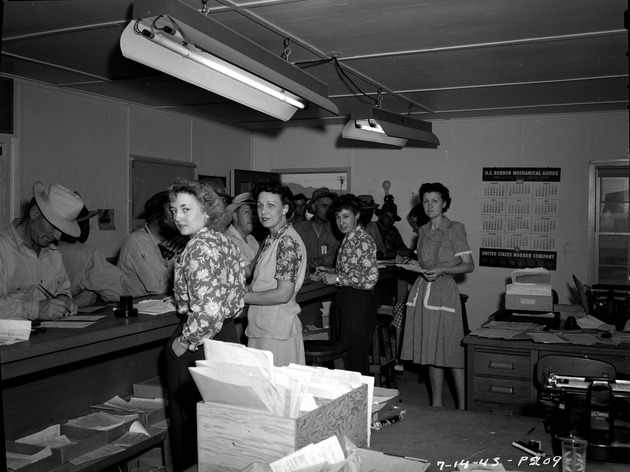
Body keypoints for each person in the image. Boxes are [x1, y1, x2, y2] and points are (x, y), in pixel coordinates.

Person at [165, 179, 246, 472]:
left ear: (206, 211)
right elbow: (236, 303)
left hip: (199, 342)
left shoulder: (198, 247)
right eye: (174, 210)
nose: (178, 217)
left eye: (186, 209)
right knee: (219, 424)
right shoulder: (224, 241)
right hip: (226, 336)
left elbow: (207, 313)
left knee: (190, 426)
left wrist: (183, 342)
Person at [399, 183, 474, 409]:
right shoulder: (422, 231)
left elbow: (468, 266)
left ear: (444, 203)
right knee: (431, 350)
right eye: (425, 201)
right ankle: (436, 406)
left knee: (451, 350)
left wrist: (442, 270)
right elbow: (424, 263)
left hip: (444, 293)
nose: (430, 206)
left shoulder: (455, 228)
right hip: (423, 292)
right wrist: (413, 265)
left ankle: (463, 408)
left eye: (435, 201)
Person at [314, 194, 379, 375]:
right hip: (346, 299)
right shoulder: (348, 238)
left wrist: (337, 279)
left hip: (358, 301)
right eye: (337, 217)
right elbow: (353, 269)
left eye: (346, 216)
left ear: (357, 215)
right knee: (343, 354)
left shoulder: (363, 240)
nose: (341, 222)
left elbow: (370, 278)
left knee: (354, 359)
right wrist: (332, 271)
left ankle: (360, 400)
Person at [245, 180, 307, 367]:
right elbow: (258, 280)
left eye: (271, 205)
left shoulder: (287, 241)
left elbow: (283, 293)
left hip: (277, 331)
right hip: (264, 326)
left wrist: (240, 296)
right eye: (260, 205)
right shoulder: (272, 239)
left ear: (285, 208)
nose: (263, 211)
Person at [0, 181, 82, 320]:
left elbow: (62, 289)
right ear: (35, 212)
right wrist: (36, 310)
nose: (58, 236)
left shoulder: (53, 252)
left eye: (62, 231)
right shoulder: (3, 249)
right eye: (54, 227)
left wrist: (63, 299)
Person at [117, 191, 187, 297]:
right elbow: (161, 288)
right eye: (174, 214)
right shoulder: (138, 240)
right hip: (140, 310)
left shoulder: (173, 242)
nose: (181, 220)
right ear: (161, 220)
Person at [58, 203, 126, 306]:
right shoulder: (88, 255)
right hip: (80, 316)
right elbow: (117, 293)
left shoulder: (47, 250)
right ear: (84, 226)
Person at [294, 187, 341, 272]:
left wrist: (322, 260)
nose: (328, 210)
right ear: (314, 207)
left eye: (330, 207)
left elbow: (340, 255)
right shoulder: (298, 229)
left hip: (329, 279)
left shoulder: (337, 230)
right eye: (324, 206)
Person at [224, 192, 260, 281]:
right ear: (235, 216)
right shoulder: (229, 241)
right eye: (247, 212)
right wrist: (263, 247)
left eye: (253, 212)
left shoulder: (251, 238)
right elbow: (248, 273)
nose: (252, 216)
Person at [357, 194, 386, 259]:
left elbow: (381, 247)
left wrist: (380, 252)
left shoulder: (373, 226)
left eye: (371, 211)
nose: (368, 214)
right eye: (365, 211)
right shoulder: (353, 227)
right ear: (358, 212)